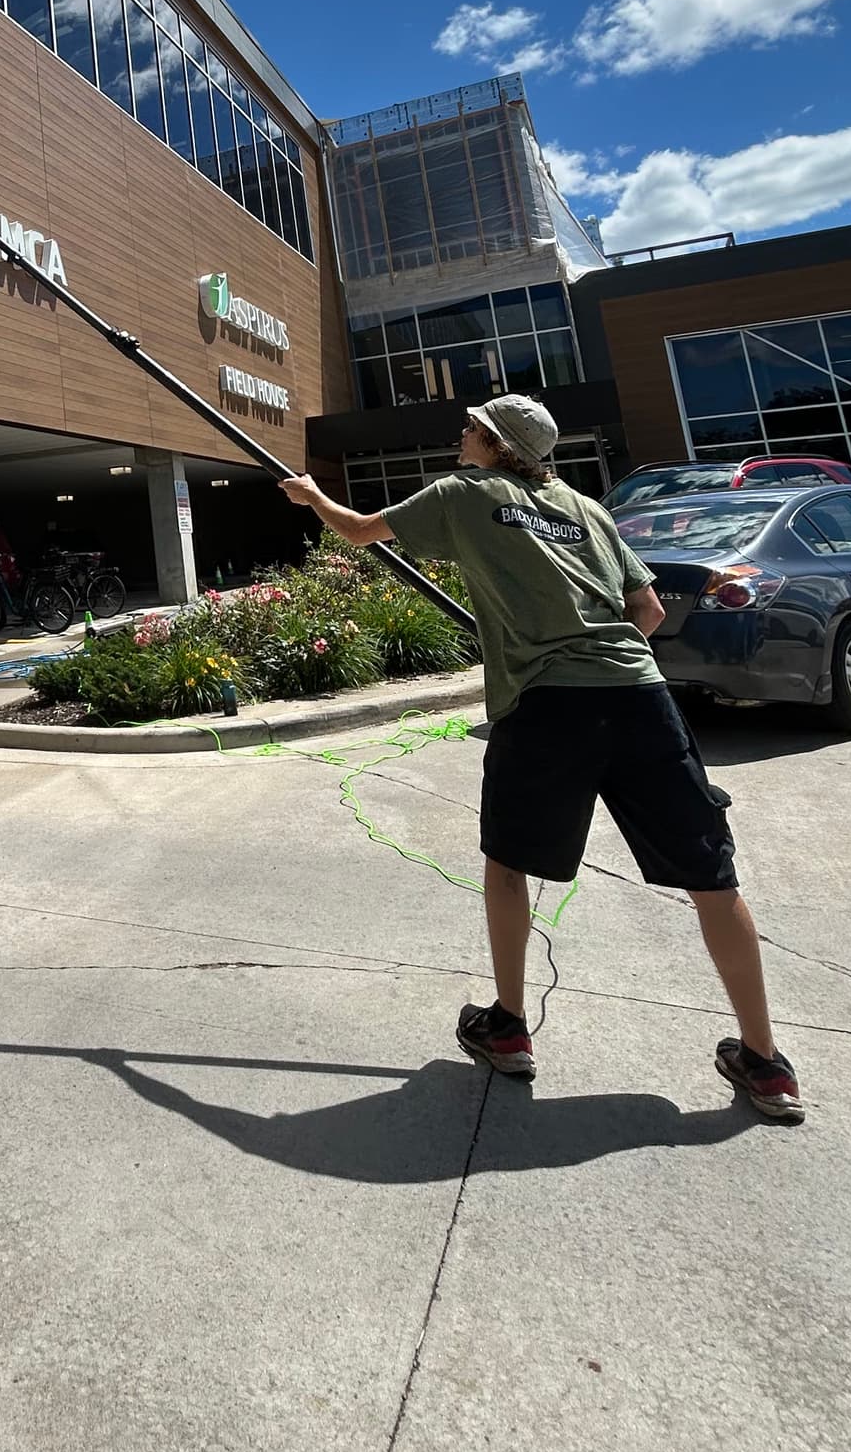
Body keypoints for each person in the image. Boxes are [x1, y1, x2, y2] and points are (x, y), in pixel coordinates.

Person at [279, 393, 804, 1122]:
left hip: (546, 705)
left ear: (496, 444)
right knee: (710, 877)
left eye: (472, 427)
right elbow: (648, 610)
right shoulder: (586, 508)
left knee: (509, 864)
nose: (462, 432)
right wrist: (597, 647)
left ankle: (508, 1028)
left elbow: (362, 529)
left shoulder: (466, 492)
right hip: (641, 699)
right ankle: (766, 1064)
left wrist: (312, 496)